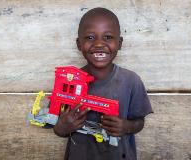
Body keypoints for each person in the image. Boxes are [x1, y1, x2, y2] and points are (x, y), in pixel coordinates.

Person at [53, 7, 153, 160]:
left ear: (119, 43)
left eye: (107, 37)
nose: (99, 44)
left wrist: (126, 126)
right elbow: (57, 127)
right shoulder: (68, 79)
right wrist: (62, 127)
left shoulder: (131, 81)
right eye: (90, 38)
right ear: (79, 44)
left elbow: (139, 122)